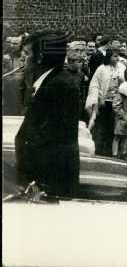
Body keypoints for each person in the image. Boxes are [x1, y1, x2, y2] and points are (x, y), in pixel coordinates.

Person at [15, 30, 81, 199]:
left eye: (27, 53)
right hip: (44, 179)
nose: (23, 58)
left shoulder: (58, 86)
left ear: (40, 57)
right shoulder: (52, 82)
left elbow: (49, 138)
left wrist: (31, 180)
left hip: (48, 182)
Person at [86, 42, 127, 156]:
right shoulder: (102, 68)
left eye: (117, 56)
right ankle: (99, 149)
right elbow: (94, 84)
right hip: (104, 102)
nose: (117, 58)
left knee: (114, 127)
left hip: (117, 103)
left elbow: (126, 83)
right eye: (114, 56)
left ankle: (110, 151)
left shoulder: (122, 67)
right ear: (108, 57)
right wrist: (98, 97)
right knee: (102, 126)